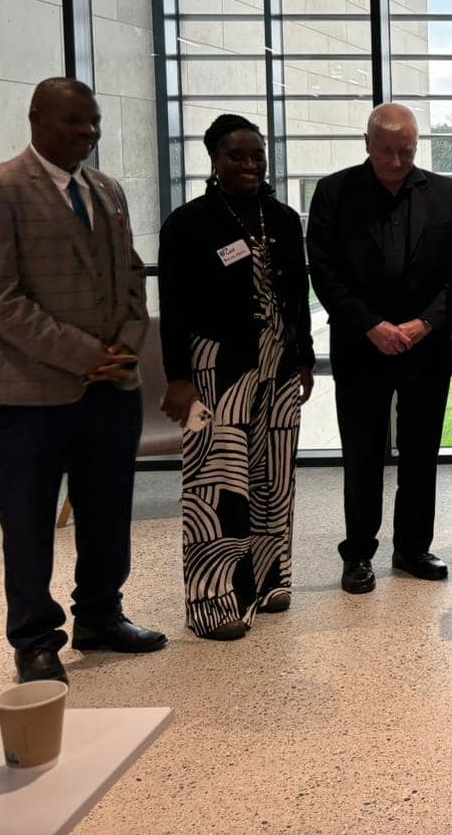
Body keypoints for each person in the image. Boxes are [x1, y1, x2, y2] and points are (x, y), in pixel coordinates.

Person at [0, 78, 163, 684]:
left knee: (107, 513)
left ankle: (101, 616)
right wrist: (82, 355)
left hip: (112, 387)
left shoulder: (107, 189)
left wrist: (126, 344)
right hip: (30, 393)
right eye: (75, 121)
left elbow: (132, 275)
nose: (88, 132)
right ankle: (34, 639)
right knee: (27, 521)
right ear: (36, 118)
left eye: (94, 121)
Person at [157, 115, 314, 640]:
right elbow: (173, 306)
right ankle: (214, 602)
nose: (249, 165)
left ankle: (269, 581)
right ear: (214, 160)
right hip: (213, 366)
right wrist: (177, 377)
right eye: (236, 156)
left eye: (256, 155)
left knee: (274, 476)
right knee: (216, 480)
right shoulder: (188, 223)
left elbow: (298, 296)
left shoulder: (283, 218)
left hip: (277, 364)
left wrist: (304, 356)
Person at [307, 103, 452, 596]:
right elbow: (324, 272)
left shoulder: (447, 192)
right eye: (386, 152)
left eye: (406, 151)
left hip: (426, 346)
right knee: (362, 454)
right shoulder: (334, 192)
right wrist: (372, 326)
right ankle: (358, 551)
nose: (397, 162)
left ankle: (413, 548)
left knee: (422, 452)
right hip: (361, 347)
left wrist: (425, 324)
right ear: (367, 144)